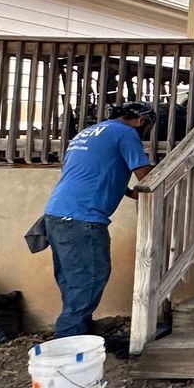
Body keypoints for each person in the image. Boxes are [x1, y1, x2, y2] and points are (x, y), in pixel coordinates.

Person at [41, 102, 154, 338]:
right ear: (141, 121)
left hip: (55, 214)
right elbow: (146, 175)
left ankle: (77, 328)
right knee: (90, 277)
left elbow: (91, 172)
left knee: (73, 280)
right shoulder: (126, 133)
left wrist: (125, 191)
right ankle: (69, 343)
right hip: (83, 219)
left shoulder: (87, 133)